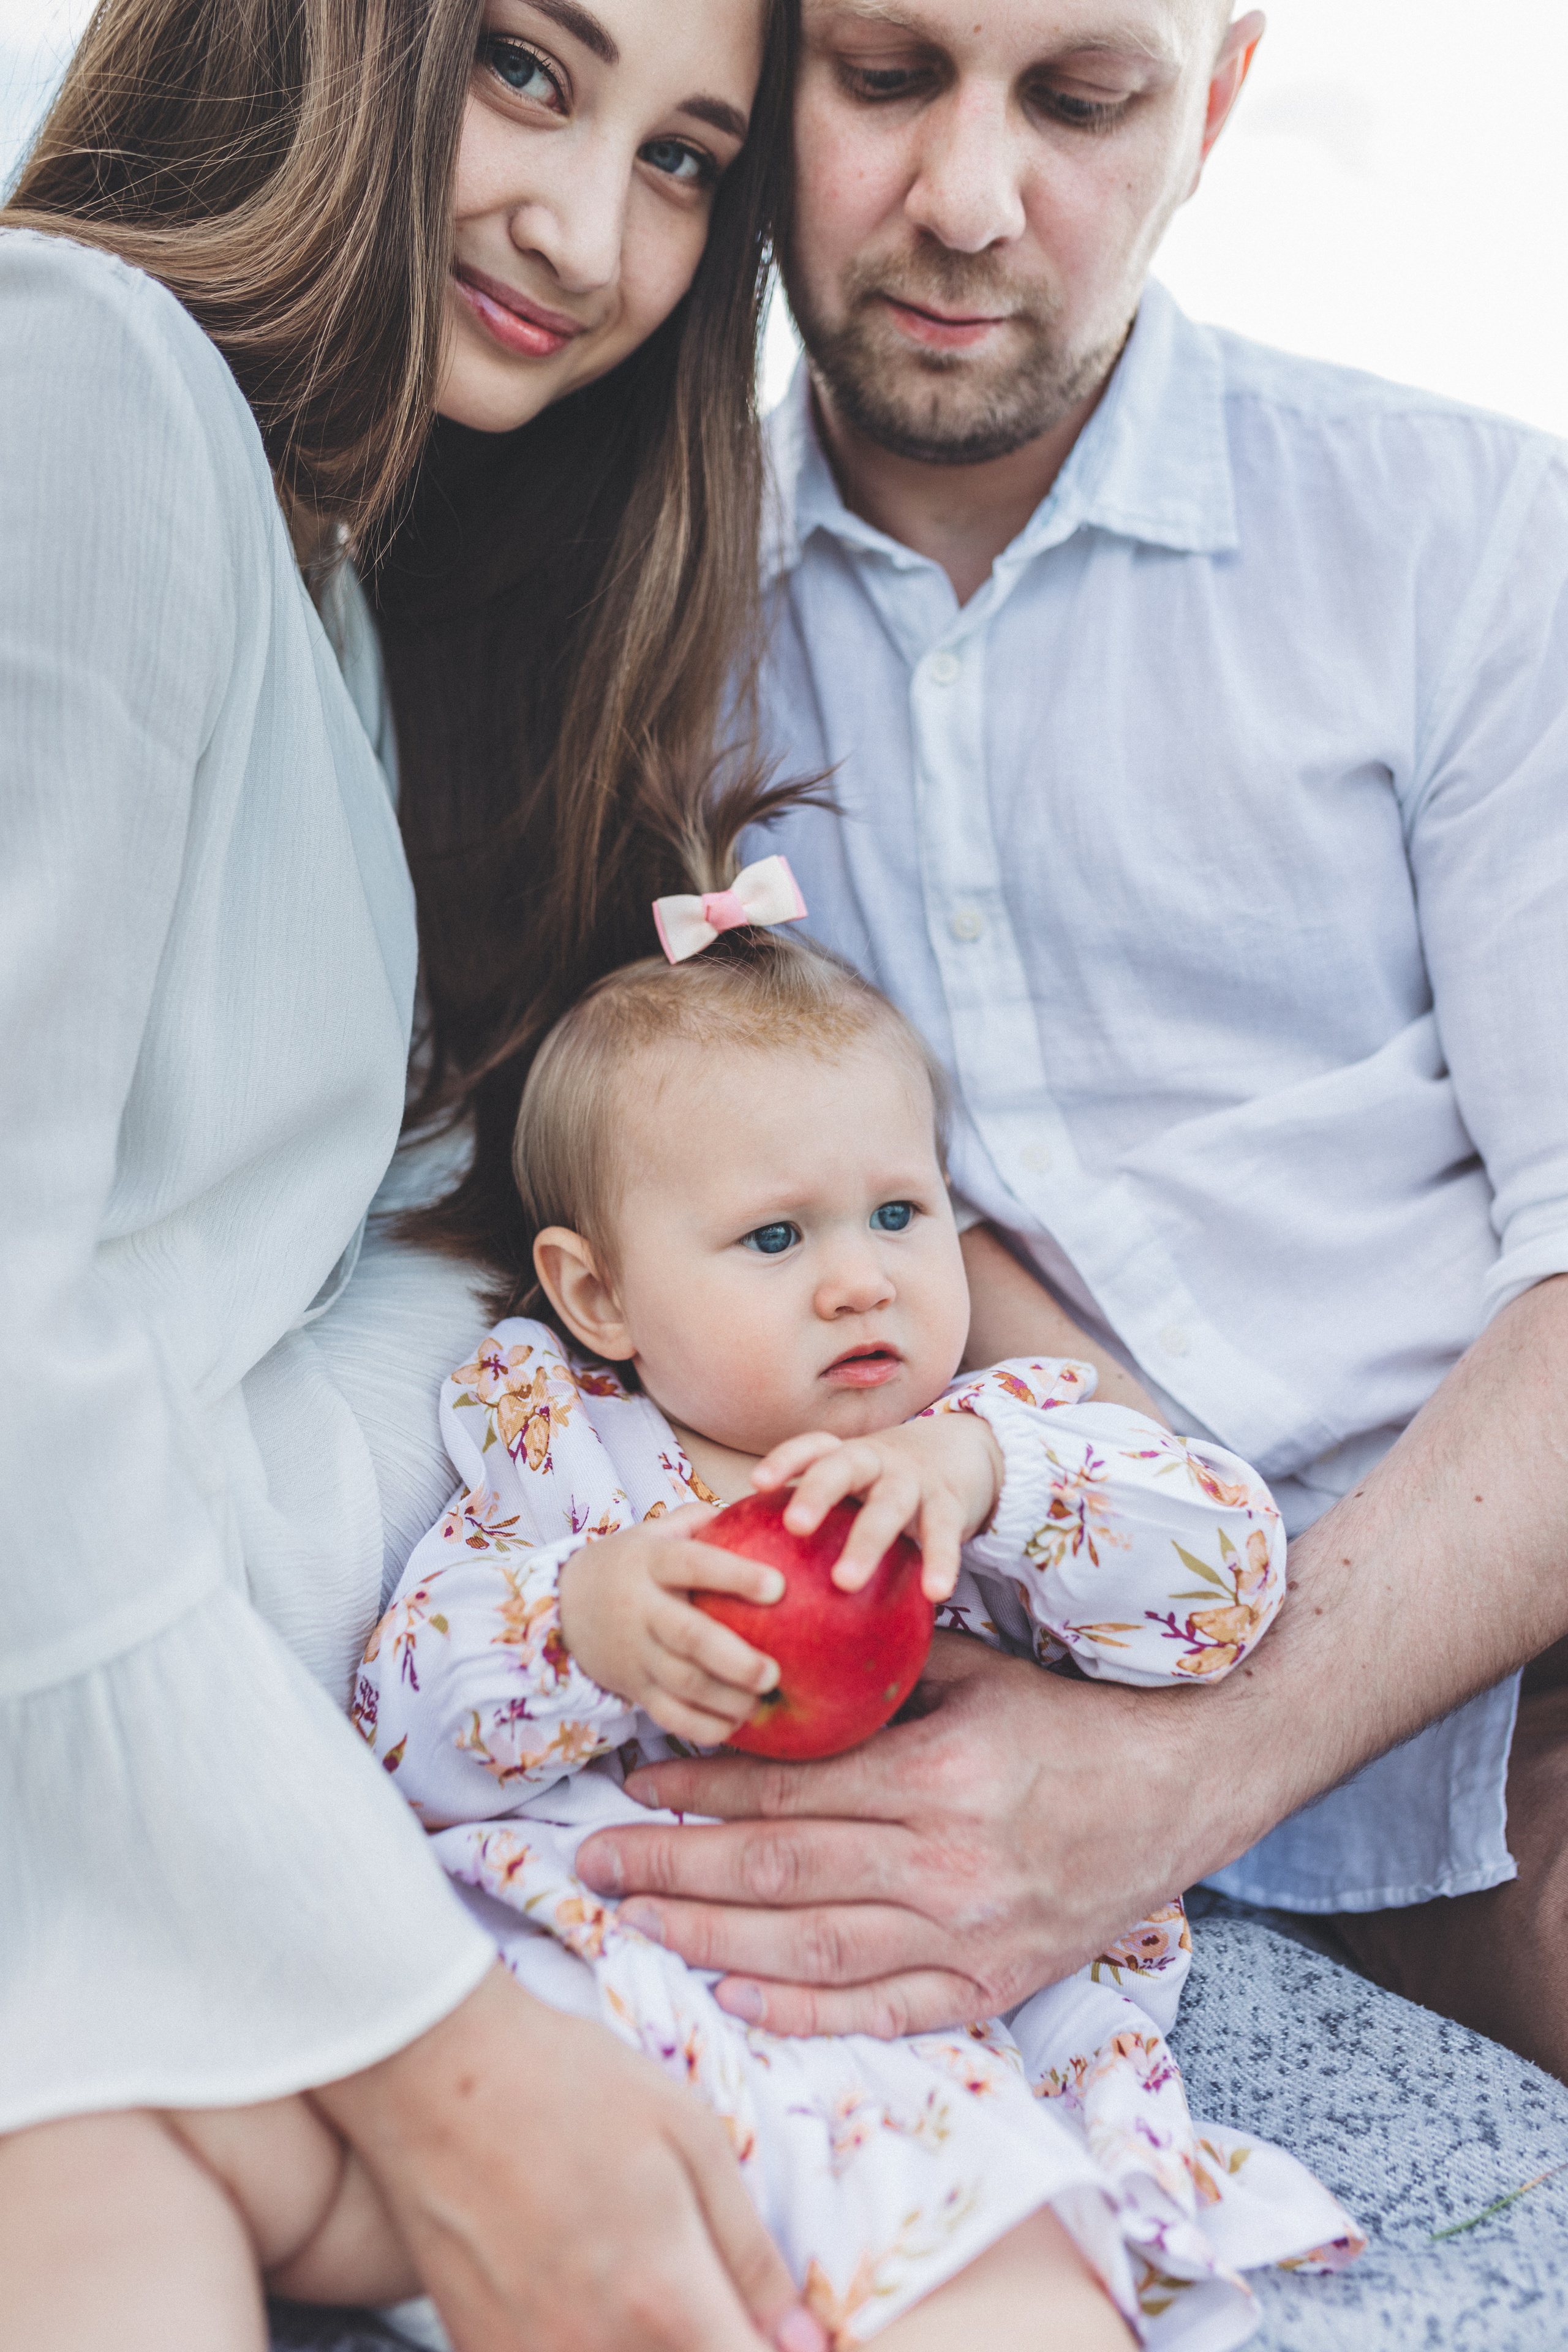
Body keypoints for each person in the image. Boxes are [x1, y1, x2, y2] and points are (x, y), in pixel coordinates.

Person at [564, 0, 1568, 2092]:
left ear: (1217, 100)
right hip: (953, 1677)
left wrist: (1182, 1773)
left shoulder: (1470, 536)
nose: (965, 200)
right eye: (885, 77)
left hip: (1509, 1681)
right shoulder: (636, 638)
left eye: (1083, 100)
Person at [0, 3, 834, 2348]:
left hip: (133, 1749)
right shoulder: (82, 380)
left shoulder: (345, 593)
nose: (591, 238)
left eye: (684, 161)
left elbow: (339, 1291)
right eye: (530, 72)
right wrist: (442, 2059)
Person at [353, 847, 1360, 2347]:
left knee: (991, 2253)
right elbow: (393, 1727)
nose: (859, 1282)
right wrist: (578, 1624)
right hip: (584, 1978)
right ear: (597, 1296)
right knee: (354, 2138)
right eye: (775, 1237)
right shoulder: (560, 1459)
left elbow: (1230, 1584)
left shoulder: (994, 1446)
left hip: (876, 2017)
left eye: (899, 1214)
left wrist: (990, 1482)